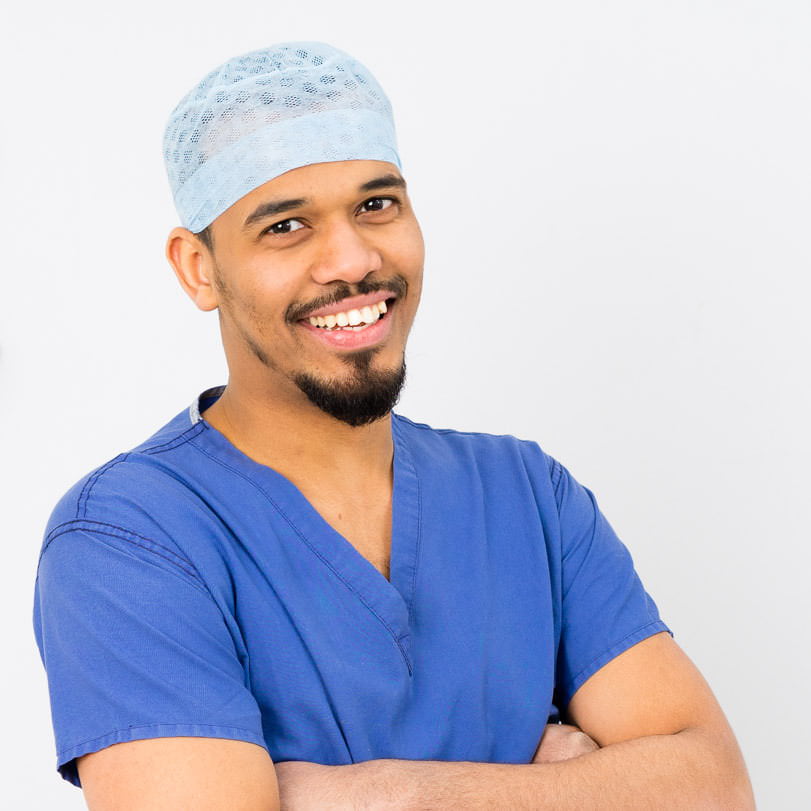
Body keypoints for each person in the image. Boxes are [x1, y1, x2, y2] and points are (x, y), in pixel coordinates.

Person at [32, 41, 754, 809]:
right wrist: (569, 783)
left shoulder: (526, 496)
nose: (350, 258)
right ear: (198, 269)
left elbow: (715, 785)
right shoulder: (128, 538)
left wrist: (383, 792)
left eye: (376, 204)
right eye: (285, 226)